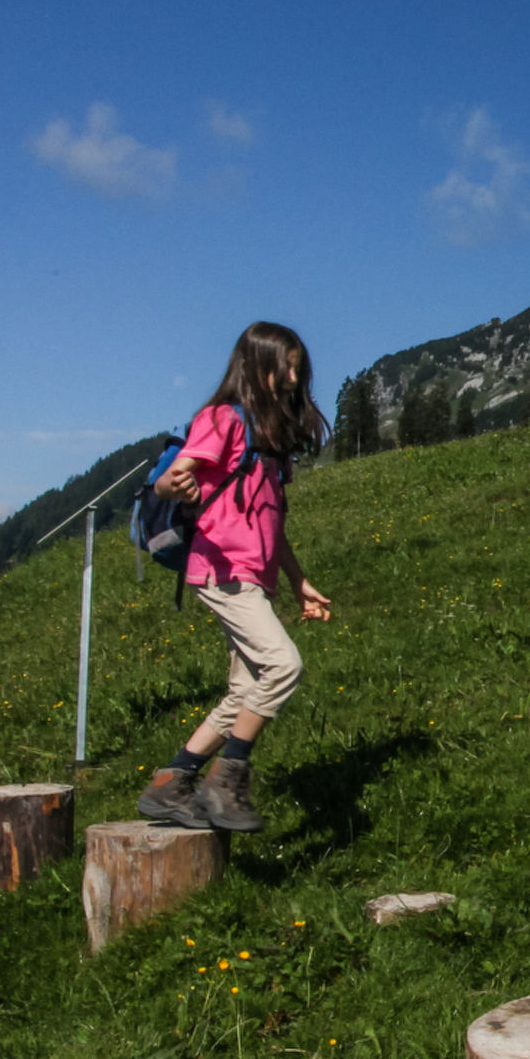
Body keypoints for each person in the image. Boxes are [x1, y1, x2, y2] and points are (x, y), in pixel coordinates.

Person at [137, 322, 333, 833]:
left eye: (298, 366)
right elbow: (172, 479)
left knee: (244, 691)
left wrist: (297, 580)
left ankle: (172, 782)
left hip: (254, 576)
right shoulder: (223, 419)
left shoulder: (271, 441)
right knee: (283, 665)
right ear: (257, 364)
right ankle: (226, 782)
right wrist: (169, 484)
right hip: (221, 571)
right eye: (285, 365)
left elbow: (274, 522)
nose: (293, 376)